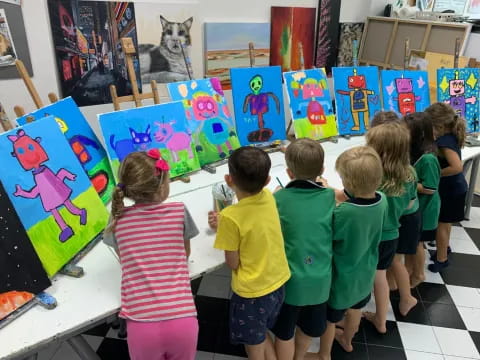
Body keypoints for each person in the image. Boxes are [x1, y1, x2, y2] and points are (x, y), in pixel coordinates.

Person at [103, 149, 199, 360]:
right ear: (163, 186)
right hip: (183, 321)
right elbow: (185, 253)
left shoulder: (117, 220)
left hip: (140, 325)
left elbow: (124, 259)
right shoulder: (179, 211)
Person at [208, 147, 291, 360]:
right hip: (278, 282)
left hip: (252, 292)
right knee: (262, 332)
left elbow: (233, 263)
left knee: (253, 344)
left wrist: (225, 225)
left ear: (228, 179)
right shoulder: (269, 197)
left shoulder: (229, 216)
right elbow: (252, 221)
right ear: (267, 180)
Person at [270, 139, 335, 360]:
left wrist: (277, 195)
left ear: (288, 172)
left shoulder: (279, 198)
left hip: (289, 281)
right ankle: (300, 356)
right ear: (322, 171)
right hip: (321, 281)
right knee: (309, 328)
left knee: (284, 332)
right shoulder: (329, 196)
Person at [326, 146, 388, 353]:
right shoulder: (382, 199)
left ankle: (323, 351)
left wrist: (332, 200)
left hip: (343, 277)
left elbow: (333, 232)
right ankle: (348, 340)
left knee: (330, 318)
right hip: (366, 272)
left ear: (348, 183)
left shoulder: (344, 212)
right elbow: (358, 202)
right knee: (355, 310)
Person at [365, 122, 418, 333]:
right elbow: (410, 204)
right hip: (394, 230)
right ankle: (407, 298)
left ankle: (380, 319)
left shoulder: (375, 176)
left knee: (378, 277)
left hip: (377, 235)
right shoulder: (410, 173)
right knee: (397, 264)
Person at [425, 103, 468, 272]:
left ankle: (441, 259)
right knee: (446, 223)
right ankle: (445, 248)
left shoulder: (444, 142)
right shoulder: (450, 135)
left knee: (442, 224)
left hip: (451, 190)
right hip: (455, 188)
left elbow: (456, 167)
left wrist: (436, 174)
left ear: (440, 126)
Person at [404, 112, 441, 286]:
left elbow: (430, 188)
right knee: (412, 242)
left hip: (426, 209)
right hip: (417, 206)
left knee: (418, 243)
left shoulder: (428, 159)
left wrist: (407, 182)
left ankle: (418, 274)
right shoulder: (413, 152)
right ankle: (409, 270)